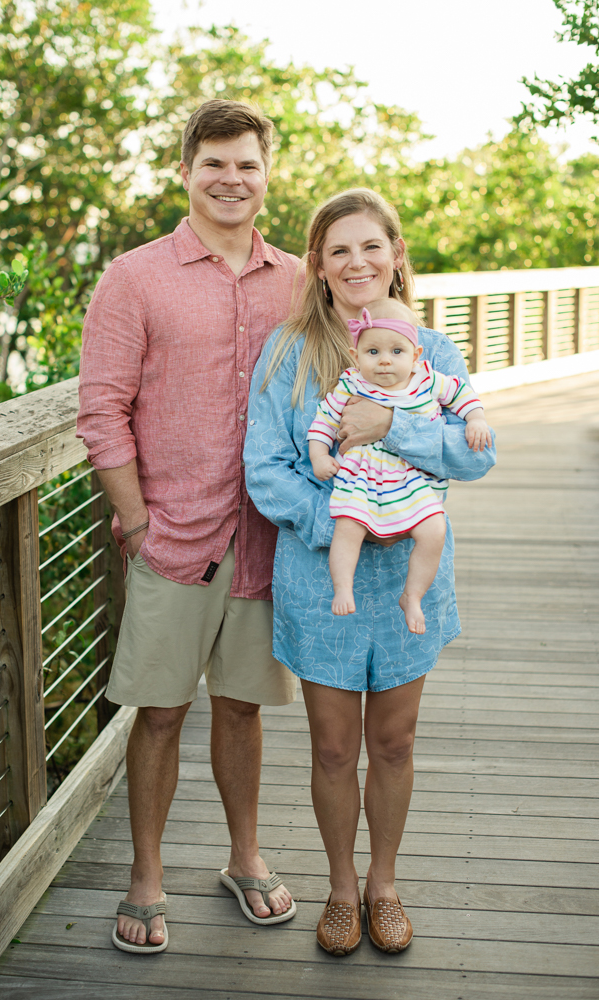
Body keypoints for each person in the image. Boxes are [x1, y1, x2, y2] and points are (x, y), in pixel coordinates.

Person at [244, 188, 496, 957]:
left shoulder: (433, 350)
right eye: (339, 249)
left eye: (371, 247)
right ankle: (342, 888)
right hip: (325, 576)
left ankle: (384, 885)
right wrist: (340, 521)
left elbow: (475, 454)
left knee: (394, 741)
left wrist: (394, 426)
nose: (357, 262)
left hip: (411, 576)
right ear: (317, 264)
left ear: (396, 256)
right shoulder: (288, 351)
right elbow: (267, 469)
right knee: (330, 747)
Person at [77, 99, 299, 955]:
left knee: (242, 709)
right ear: (185, 172)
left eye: (247, 163)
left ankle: (244, 859)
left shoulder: (297, 278)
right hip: (172, 537)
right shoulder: (135, 277)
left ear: (266, 174)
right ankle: (146, 875)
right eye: (214, 163)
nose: (231, 179)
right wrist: (135, 522)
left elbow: (353, 364)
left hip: (265, 539)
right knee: (160, 712)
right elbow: (103, 407)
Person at [307, 297, 491, 630]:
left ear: (416, 355)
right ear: (356, 356)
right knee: (347, 529)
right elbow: (322, 423)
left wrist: (476, 419)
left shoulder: (426, 380)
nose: (384, 362)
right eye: (372, 352)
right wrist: (320, 455)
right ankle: (342, 587)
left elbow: (461, 394)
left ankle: (413, 596)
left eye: (397, 352)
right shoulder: (351, 385)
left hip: (411, 479)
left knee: (434, 530)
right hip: (361, 478)